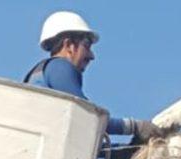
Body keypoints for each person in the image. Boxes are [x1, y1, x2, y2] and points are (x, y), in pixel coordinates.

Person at [24, 11, 163, 148]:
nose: (91, 56)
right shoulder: (59, 67)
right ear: (69, 45)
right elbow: (89, 117)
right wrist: (136, 126)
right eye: (87, 46)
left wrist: (116, 150)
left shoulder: (39, 74)